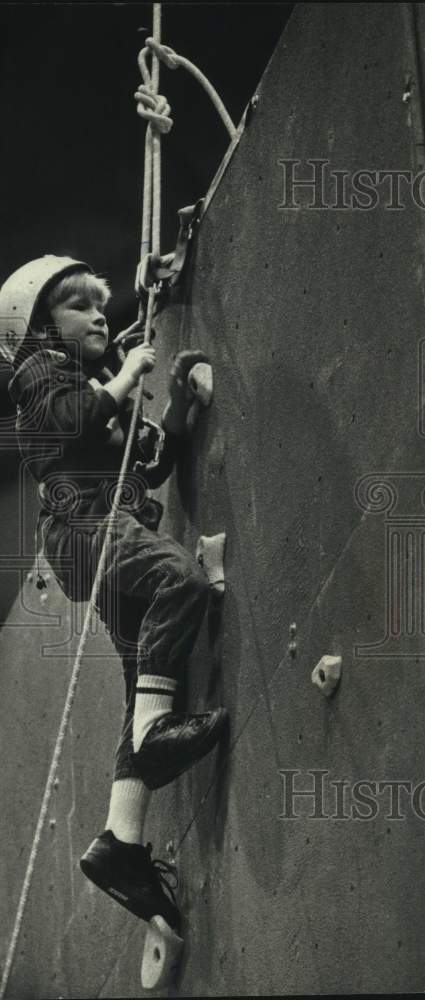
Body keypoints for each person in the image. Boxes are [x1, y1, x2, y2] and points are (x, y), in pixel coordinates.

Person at [1, 254, 228, 932]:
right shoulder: (39, 374)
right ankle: (156, 732)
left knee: (143, 687)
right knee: (179, 578)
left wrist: (175, 406)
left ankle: (119, 841)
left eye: (100, 304)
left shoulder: (96, 382)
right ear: (42, 325)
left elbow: (149, 464)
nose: (100, 313)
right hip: (83, 527)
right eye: (78, 305)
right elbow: (67, 422)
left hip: (108, 526)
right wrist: (129, 374)